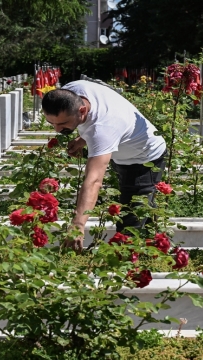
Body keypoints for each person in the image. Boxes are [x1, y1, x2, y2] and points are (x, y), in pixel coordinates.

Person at [41, 80, 167, 250]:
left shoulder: (104, 128)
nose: (57, 129)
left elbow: (94, 180)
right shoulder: (72, 90)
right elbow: (96, 125)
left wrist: (78, 224)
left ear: (82, 110)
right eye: (52, 123)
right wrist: (83, 139)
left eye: (62, 124)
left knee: (131, 218)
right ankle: (153, 242)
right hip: (123, 153)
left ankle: (126, 261)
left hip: (144, 159)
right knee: (140, 206)